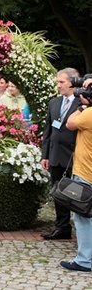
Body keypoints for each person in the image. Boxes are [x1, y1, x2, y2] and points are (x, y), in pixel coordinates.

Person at [41, 68, 82, 241]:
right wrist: (45, 155)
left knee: (77, 193)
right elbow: (48, 130)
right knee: (58, 192)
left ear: (73, 82)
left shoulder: (82, 102)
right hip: (55, 154)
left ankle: (81, 227)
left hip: (75, 156)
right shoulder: (54, 103)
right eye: (57, 82)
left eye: (61, 82)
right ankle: (62, 226)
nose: (58, 85)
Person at [61, 80, 92, 271]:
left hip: (86, 173)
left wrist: (81, 106)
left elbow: (69, 123)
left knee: (83, 217)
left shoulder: (88, 114)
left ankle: (84, 260)